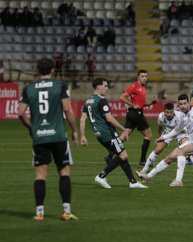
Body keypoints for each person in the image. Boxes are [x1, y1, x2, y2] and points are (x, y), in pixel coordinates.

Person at [17, 57, 79, 221]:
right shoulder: (60, 85)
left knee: (40, 174)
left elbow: (21, 112)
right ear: (52, 70)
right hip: (58, 135)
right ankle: (66, 211)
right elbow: (67, 109)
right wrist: (74, 131)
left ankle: (39, 212)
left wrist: (31, 128)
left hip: (40, 137)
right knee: (64, 171)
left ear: (38, 70)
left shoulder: (29, 88)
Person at [80, 78, 148, 189]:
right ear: (98, 87)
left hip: (99, 135)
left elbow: (83, 118)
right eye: (105, 86)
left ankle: (133, 182)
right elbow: (109, 118)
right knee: (123, 155)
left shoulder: (88, 101)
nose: (107, 88)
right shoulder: (101, 100)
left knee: (121, 155)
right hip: (108, 133)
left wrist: (83, 136)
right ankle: (101, 176)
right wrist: (123, 129)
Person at [139, 102, 193, 175]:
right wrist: (159, 137)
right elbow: (160, 127)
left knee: (187, 147)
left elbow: (188, 124)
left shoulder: (180, 115)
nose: (169, 114)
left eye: (171, 112)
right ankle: (144, 169)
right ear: (164, 112)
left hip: (180, 132)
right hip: (168, 133)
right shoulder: (161, 117)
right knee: (158, 150)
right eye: (167, 112)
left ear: (174, 110)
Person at [119, 70, 158, 166]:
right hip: (136, 113)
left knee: (124, 137)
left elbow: (144, 103)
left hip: (132, 114)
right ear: (138, 77)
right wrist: (132, 104)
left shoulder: (143, 88)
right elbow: (122, 97)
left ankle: (110, 155)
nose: (144, 78)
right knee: (148, 135)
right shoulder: (134, 86)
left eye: (146, 76)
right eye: (142, 76)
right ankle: (142, 160)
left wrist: (152, 102)